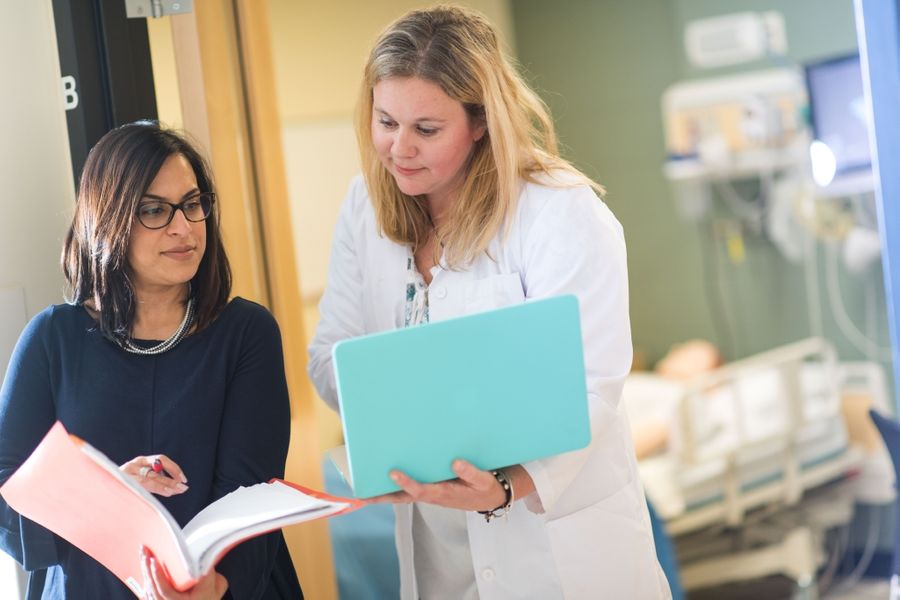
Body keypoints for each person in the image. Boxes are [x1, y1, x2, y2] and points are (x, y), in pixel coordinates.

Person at [307, 5, 671, 599]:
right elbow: (329, 355)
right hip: (436, 550)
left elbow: (594, 384)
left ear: (479, 123)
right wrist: (392, 415)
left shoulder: (559, 212)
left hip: (556, 553)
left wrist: (509, 482)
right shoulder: (363, 209)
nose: (399, 148)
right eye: (385, 121)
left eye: (426, 129)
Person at [0, 122, 302, 599]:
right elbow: (7, 495)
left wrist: (216, 588)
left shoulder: (246, 333)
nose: (183, 227)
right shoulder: (52, 338)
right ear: (110, 218)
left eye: (192, 203)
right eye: (154, 210)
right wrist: (101, 496)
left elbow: (253, 495)